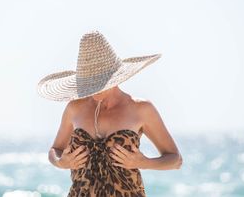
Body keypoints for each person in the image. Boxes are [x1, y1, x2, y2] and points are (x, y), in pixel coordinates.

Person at [37, 30, 182, 197]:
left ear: (113, 78)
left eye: (97, 84)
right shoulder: (74, 108)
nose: (91, 91)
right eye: (87, 85)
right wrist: (61, 162)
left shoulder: (141, 109)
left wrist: (143, 162)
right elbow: (55, 149)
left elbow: (175, 160)